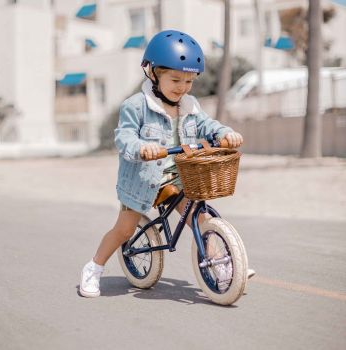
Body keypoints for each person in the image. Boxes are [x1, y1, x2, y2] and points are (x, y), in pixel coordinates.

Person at [80, 30, 254, 298]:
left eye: (189, 81)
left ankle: (224, 267)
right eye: (175, 79)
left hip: (179, 177)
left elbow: (207, 124)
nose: (182, 87)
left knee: (201, 215)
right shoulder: (136, 106)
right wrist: (142, 147)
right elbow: (124, 137)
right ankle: (94, 268)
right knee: (125, 229)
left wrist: (223, 133)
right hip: (142, 180)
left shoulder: (190, 105)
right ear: (152, 73)